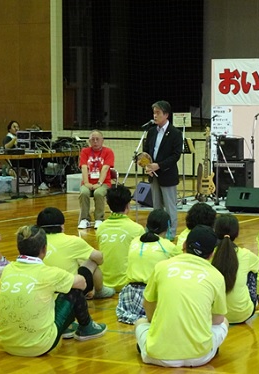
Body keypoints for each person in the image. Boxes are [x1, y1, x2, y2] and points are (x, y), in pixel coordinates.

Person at [0, 225, 107, 357]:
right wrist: (84, 267)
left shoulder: (8, 269)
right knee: (74, 290)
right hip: (40, 345)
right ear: (44, 249)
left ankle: (68, 327)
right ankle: (87, 327)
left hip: (7, 344)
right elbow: (82, 283)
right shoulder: (50, 273)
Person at [134, 225, 228, 367]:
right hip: (200, 357)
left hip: (158, 355)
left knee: (140, 322)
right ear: (211, 254)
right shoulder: (217, 276)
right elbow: (218, 319)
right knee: (224, 321)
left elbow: (148, 306)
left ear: (183, 245)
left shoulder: (162, 267)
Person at [117, 209, 181, 324]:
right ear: (167, 227)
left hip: (128, 297)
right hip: (150, 298)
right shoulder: (169, 246)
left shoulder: (135, 241)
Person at [37, 207, 115, 299]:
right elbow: (99, 258)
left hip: (39, 292)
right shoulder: (72, 241)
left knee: (77, 259)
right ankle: (99, 291)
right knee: (91, 261)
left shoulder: (35, 241)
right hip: (68, 296)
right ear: (62, 225)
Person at [212, 214, 259, 324]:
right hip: (241, 314)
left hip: (213, 315)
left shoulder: (210, 254)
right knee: (252, 270)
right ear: (237, 233)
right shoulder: (245, 254)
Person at [143, 100, 183, 239]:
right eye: (154, 113)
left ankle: (171, 232)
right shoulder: (151, 131)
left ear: (166, 115)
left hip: (167, 174)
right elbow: (146, 151)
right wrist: (146, 164)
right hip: (153, 174)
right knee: (156, 206)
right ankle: (156, 230)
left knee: (170, 207)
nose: (155, 116)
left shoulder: (175, 133)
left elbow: (175, 155)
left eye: (158, 113)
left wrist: (159, 165)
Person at [96, 185, 145, 292]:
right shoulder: (137, 229)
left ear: (109, 205)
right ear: (128, 206)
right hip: (127, 284)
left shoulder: (100, 228)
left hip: (104, 283)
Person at [78, 130, 115, 229]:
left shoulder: (108, 152)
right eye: (92, 139)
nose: (95, 141)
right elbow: (84, 167)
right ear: (89, 141)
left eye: (97, 139)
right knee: (84, 193)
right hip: (88, 182)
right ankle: (84, 219)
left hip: (103, 183)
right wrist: (86, 182)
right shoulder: (84, 151)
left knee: (98, 193)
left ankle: (99, 219)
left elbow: (105, 168)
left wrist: (99, 183)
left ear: (102, 140)